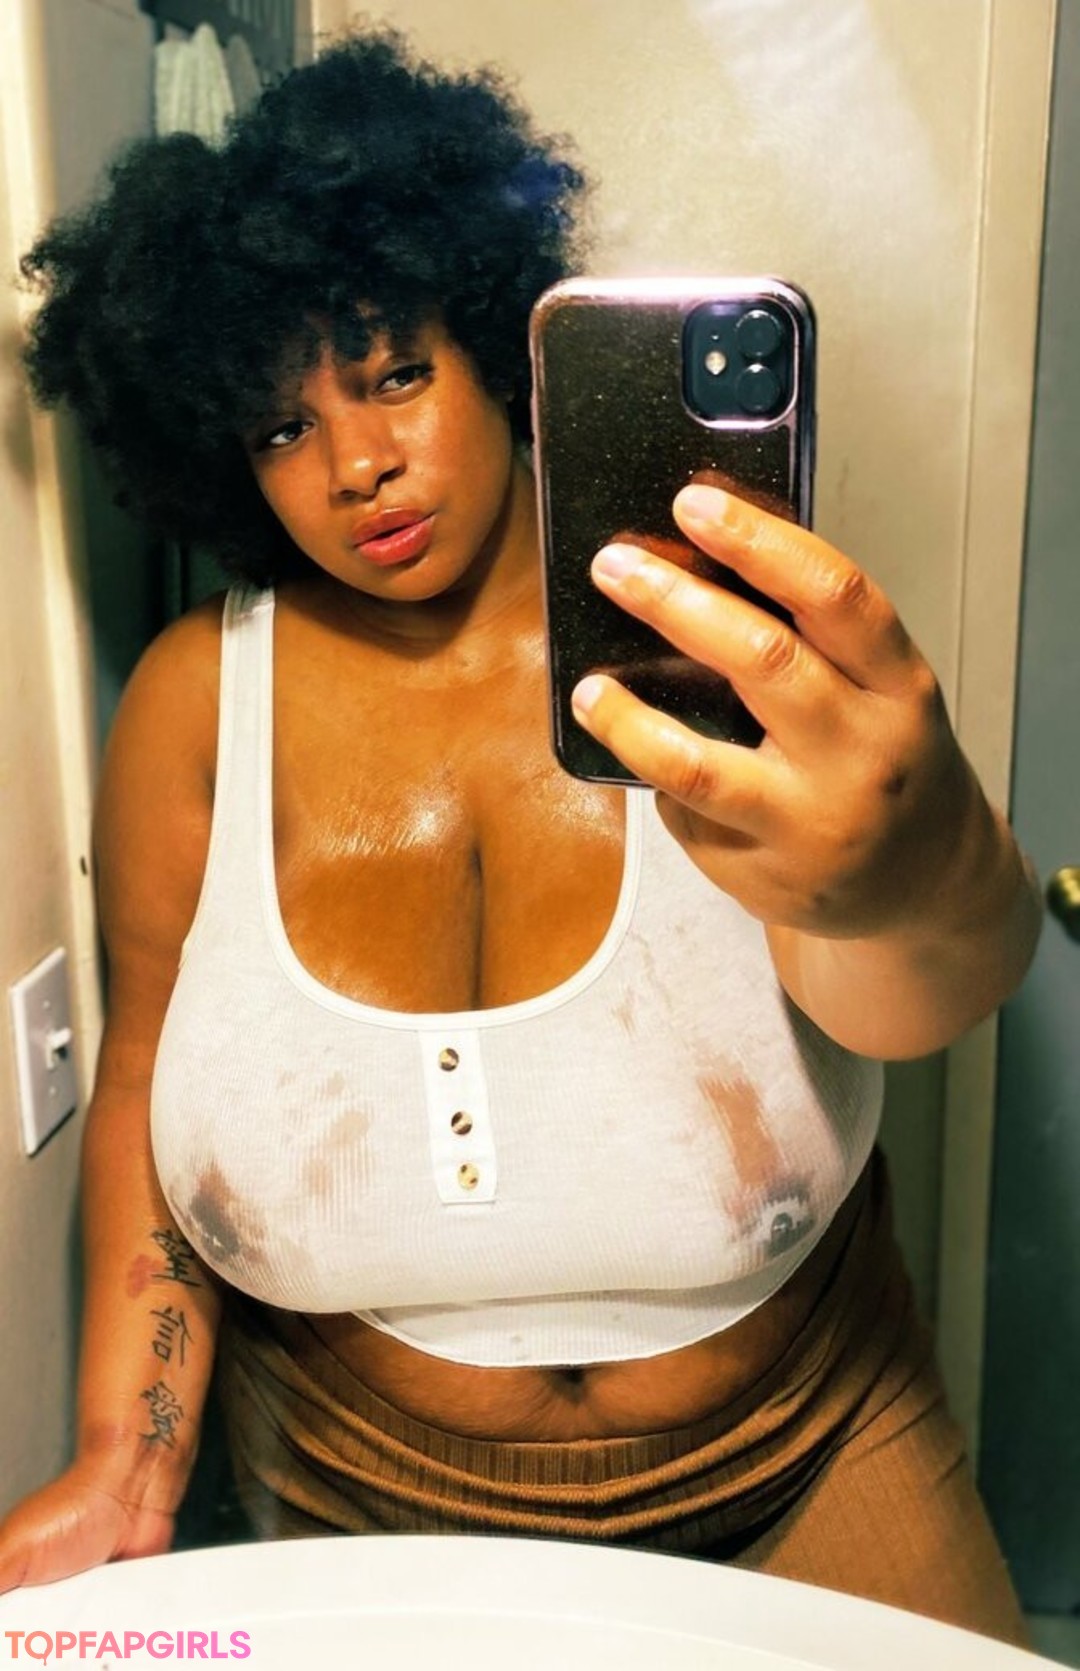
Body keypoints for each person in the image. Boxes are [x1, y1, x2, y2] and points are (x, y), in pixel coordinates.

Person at [0, 28, 1041, 1642]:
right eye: (279, 428)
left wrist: (928, 874)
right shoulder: (199, 702)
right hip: (355, 1489)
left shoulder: (713, 639)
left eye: (393, 375)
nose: (357, 466)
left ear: (499, 348)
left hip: (815, 1453)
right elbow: (138, 1078)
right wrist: (121, 1458)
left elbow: (930, 975)